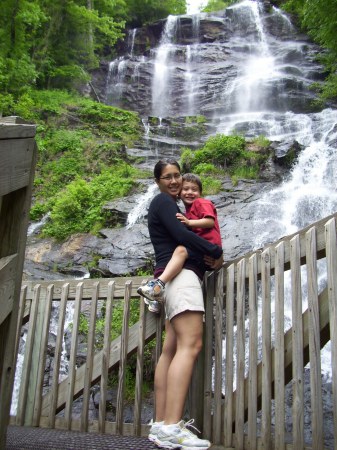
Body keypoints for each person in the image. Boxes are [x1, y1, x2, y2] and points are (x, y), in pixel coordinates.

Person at [142, 159, 223, 450]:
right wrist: (215, 250)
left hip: (171, 281)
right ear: (158, 181)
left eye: (177, 176)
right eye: (168, 177)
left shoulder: (174, 207)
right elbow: (181, 237)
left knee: (171, 349)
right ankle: (172, 427)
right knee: (191, 345)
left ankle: (161, 423)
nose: (175, 181)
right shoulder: (163, 203)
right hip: (184, 277)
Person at [138, 173, 222, 314]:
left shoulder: (202, 203)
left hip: (208, 246)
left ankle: (157, 285)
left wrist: (189, 223)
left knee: (181, 251)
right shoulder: (187, 211)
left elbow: (210, 221)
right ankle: (156, 297)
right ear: (179, 193)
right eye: (186, 189)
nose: (190, 192)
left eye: (194, 189)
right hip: (203, 250)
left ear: (200, 193)